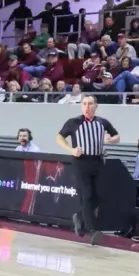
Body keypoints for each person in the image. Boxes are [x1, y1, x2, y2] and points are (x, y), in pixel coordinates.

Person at [55, 95, 120, 246]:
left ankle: (79, 216)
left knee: (100, 195)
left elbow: (116, 135)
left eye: (90, 104)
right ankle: (92, 230)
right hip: (81, 161)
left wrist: (111, 140)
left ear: (96, 106)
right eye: (84, 104)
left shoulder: (102, 122)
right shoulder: (73, 122)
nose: (87, 106)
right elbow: (59, 138)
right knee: (87, 195)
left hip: (97, 161)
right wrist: (70, 150)